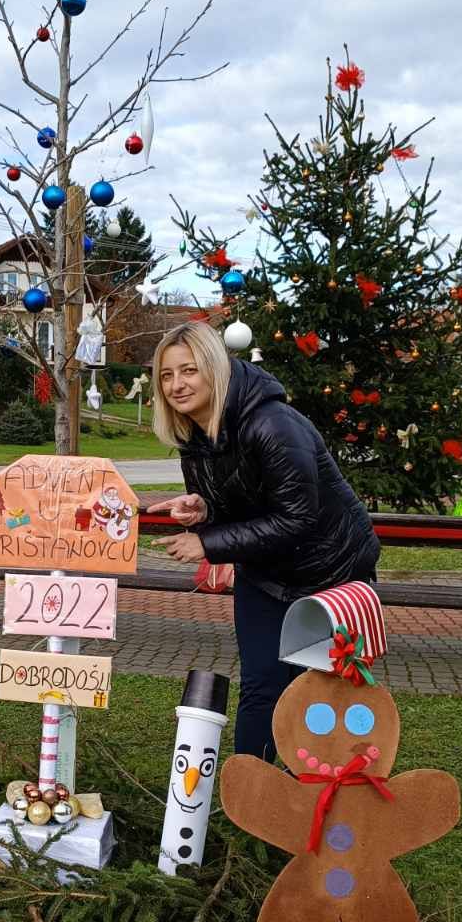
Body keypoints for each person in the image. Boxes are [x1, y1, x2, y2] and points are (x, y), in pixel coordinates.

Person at [149, 321, 380, 761]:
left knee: (320, 689)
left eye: (189, 370)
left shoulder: (272, 423)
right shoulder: (194, 436)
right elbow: (248, 501)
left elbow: (297, 516)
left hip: (330, 574)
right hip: (265, 573)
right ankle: (252, 798)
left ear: (215, 370)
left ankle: (317, 795)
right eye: (166, 374)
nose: (177, 385)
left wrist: (209, 543)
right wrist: (205, 510)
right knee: (261, 685)